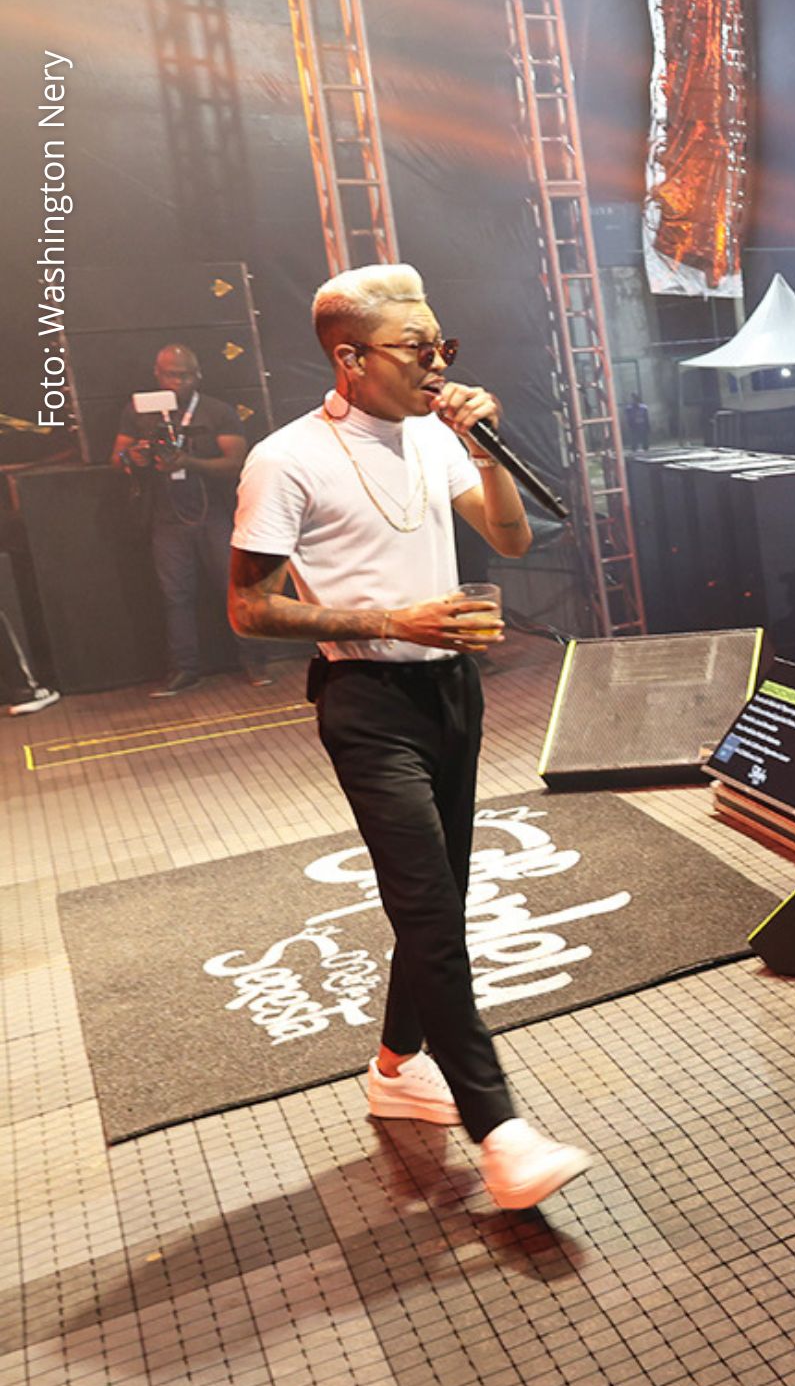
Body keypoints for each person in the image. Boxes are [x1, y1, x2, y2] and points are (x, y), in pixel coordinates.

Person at [227, 263, 591, 1210]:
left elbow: (511, 541)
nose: (438, 364)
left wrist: (485, 451)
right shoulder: (287, 458)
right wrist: (394, 620)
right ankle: (500, 1130)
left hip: (452, 691)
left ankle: (395, 1066)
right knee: (429, 913)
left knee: (442, 900)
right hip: (368, 703)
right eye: (417, 348)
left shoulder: (434, 435)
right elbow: (248, 608)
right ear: (350, 359)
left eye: (442, 346)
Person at [115, 343, 273, 693]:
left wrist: (189, 463)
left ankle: (255, 660)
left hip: (213, 511)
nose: (179, 382)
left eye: (186, 375)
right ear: (157, 374)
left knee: (235, 588)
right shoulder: (139, 411)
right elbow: (118, 456)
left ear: (198, 375)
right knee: (175, 596)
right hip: (166, 514)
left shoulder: (216, 411)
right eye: (171, 375)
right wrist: (134, 457)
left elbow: (236, 462)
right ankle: (184, 668)